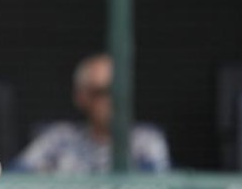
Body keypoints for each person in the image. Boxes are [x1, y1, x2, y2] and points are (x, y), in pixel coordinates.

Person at [9, 53, 171, 173]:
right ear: (81, 97)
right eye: (101, 92)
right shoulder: (59, 139)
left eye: (117, 92)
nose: (111, 100)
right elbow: (16, 178)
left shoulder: (145, 142)